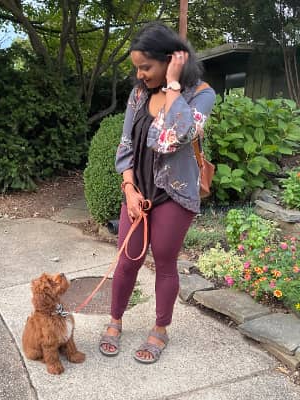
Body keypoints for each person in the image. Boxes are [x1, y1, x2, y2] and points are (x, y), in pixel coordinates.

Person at [99, 21, 216, 364]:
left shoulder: (202, 94)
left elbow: (177, 136)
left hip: (174, 195)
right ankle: (115, 320)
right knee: (127, 260)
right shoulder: (139, 94)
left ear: (171, 60)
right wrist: (128, 188)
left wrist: (174, 86)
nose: (140, 74)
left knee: (165, 261)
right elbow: (125, 145)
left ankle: (160, 328)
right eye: (137, 67)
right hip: (137, 192)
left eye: (146, 67)